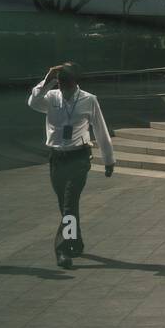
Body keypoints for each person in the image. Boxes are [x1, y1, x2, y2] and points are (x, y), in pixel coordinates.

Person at [28, 62, 116, 269]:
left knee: (69, 205)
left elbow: (101, 130)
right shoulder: (51, 97)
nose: (63, 87)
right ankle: (75, 241)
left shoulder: (89, 100)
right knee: (66, 206)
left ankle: (63, 249)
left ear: (76, 82)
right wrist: (46, 79)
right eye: (60, 82)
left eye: (66, 82)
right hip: (57, 157)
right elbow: (32, 101)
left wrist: (109, 160)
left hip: (79, 158)